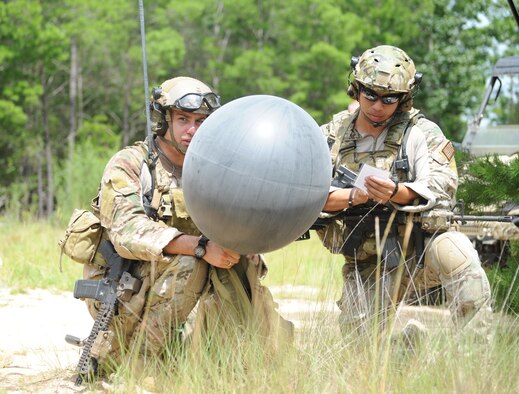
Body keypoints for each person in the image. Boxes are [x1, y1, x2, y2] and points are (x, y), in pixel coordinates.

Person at [81, 76, 292, 374]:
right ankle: (140, 366)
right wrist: (201, 247)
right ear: (163, 120)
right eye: (183, 119)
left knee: (242, 267)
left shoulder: (217, 169)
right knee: (193, 264)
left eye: (201, 121)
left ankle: (239, 362)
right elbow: (126, 231)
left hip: (186, 286)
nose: (193, 130)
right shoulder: (132, 164)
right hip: (126, 288)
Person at [317, 45, 492, 337]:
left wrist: (397, 192)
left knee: (460, 256)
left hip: (423, 251)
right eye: (370, 94)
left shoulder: (421, 132)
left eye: (389, 98)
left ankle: (474, 358)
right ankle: (407, 346)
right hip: (368, 263)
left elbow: (442, 184)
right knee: (359, 351)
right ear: (356, 87)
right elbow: (303, 191)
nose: (377, 104)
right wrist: (351, 197)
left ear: (404, 98)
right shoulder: (332, 136)